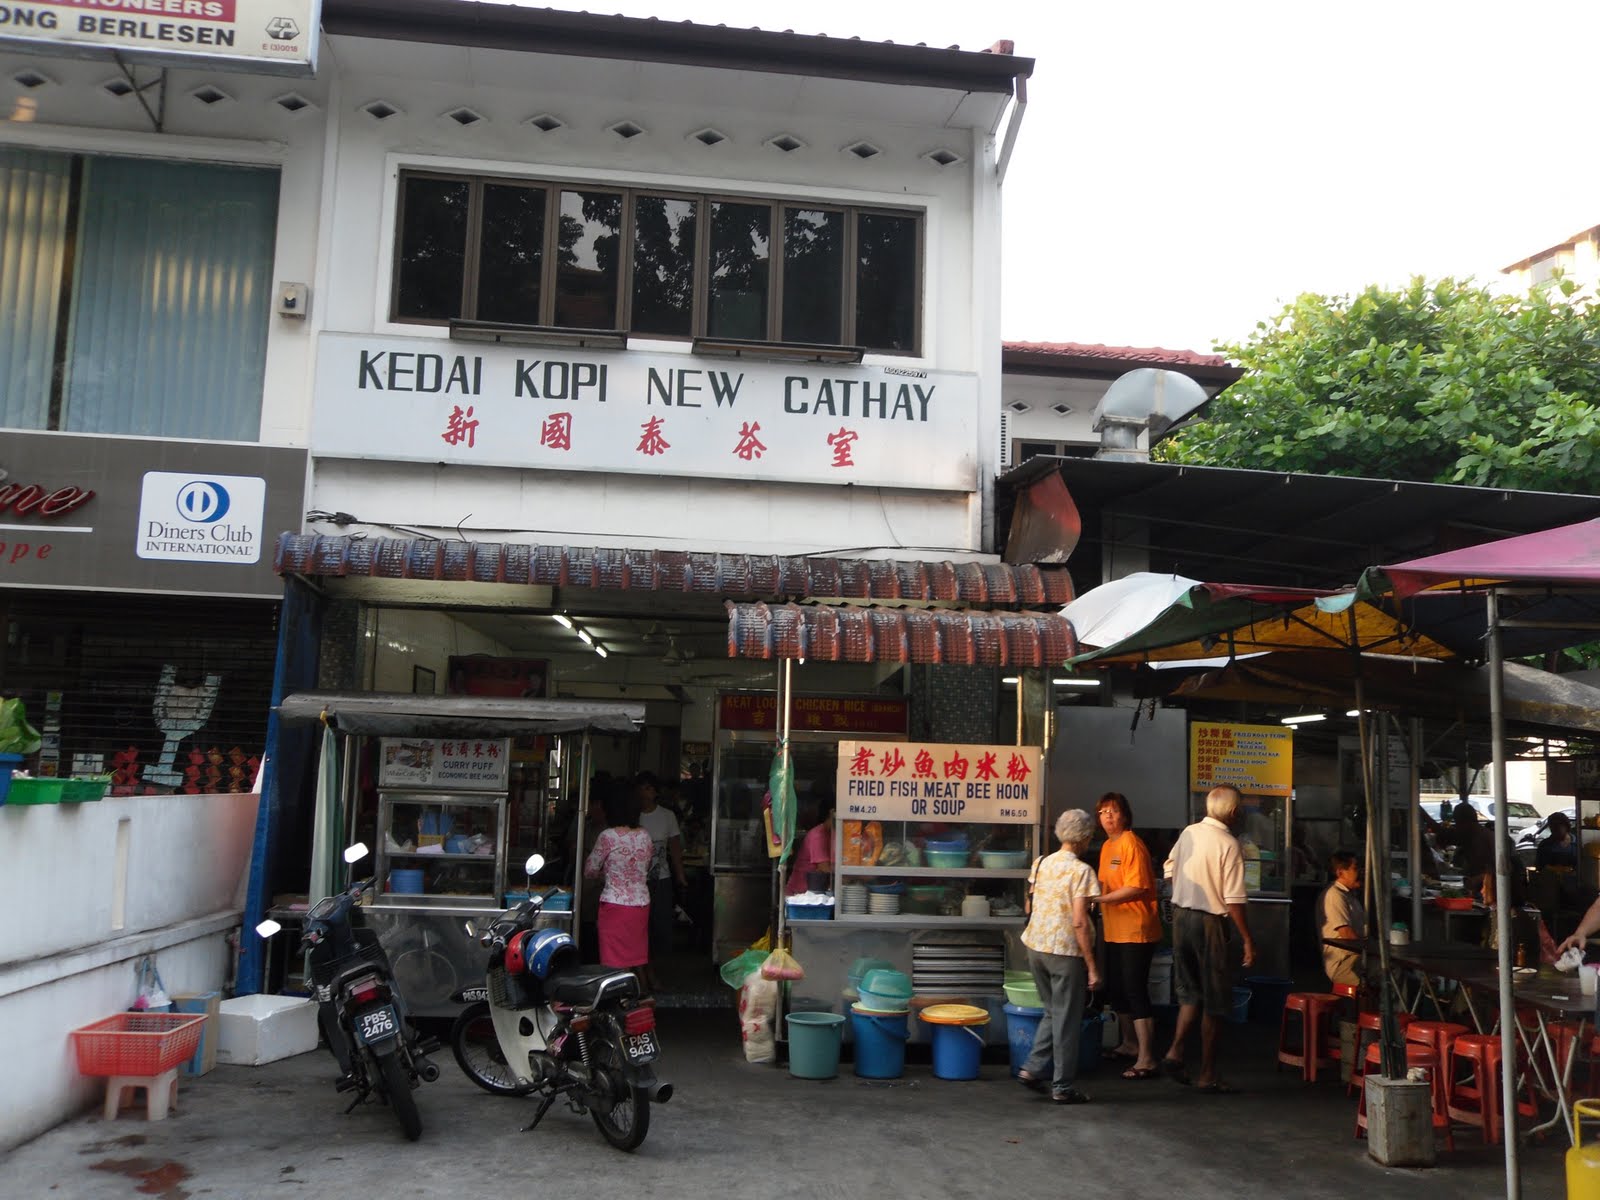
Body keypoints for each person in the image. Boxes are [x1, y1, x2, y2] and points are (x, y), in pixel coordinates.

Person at [1160, 784, 1255, 1094]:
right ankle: (1207, 1074)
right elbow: (1233, 900)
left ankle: (1175, 1051)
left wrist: (1188, 891)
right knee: (1214, 1001)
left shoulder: (1188, 832)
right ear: (1233, 812)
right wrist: (1246, 938)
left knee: (1189, 993)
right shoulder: (1229, 844)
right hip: (1210, 924)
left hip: (1182, 919)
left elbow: (1169, 869)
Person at [1017, 808, 1102, 1105]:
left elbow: (1029, 906)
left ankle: (1032, 1069)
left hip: (1035, 947)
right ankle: (1062, 1086)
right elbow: (1079, 921)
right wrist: (1092, 966)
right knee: (1067, 1019)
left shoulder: (1041, 863)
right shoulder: (1082, 872)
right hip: (1064, 952)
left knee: (1053, 1012)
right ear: (1085, 838)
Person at [1089, 791, 1163, 1079]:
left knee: (1135, 989)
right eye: (1102, 812)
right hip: (1113, 929)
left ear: (1125, 815)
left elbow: (1137, 887)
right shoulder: (1108, 846)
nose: (1108, 816)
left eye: (1113, 811)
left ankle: (1147, 1058)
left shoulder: (1133, 844)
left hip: (1136, 929)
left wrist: (1099, 900)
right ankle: (1129, 1044)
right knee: (1117, 990)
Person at [583, 787, 652, 983]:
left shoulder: (608, 836)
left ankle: (617, 998)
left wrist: (605, 874)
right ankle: (631, 998)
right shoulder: (644, 835)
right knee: (632, 957)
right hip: (640, 905)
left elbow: (589, 870)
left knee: (613, 961)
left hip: (614, 904)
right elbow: (645, 866)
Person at [636, 771, 687, 982]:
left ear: (655, 792)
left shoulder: (667, 816)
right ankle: (643, 972)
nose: (644, 793)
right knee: (640, 927)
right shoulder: (631, 816)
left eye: (648, 788)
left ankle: (652, 969)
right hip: (635, 883)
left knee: (659, 926)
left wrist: (681, 876)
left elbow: (675, 849)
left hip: (661, 880)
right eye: (641, 788)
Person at [1319, 851, 1366, 990]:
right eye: (1355, 868)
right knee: (1390, 972)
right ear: (1340, 872)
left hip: (1356, 956)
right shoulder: (1334, 895)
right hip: (1343, 963)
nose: (1361, 872)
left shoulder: (1350, 896)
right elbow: (1346, 934)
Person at [786, 800, 835, 896]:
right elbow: (824, 867)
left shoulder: (832, 834)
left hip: (814, 892)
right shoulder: (818, 836)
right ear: (831, 813)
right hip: (801, 895)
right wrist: (849, 877)